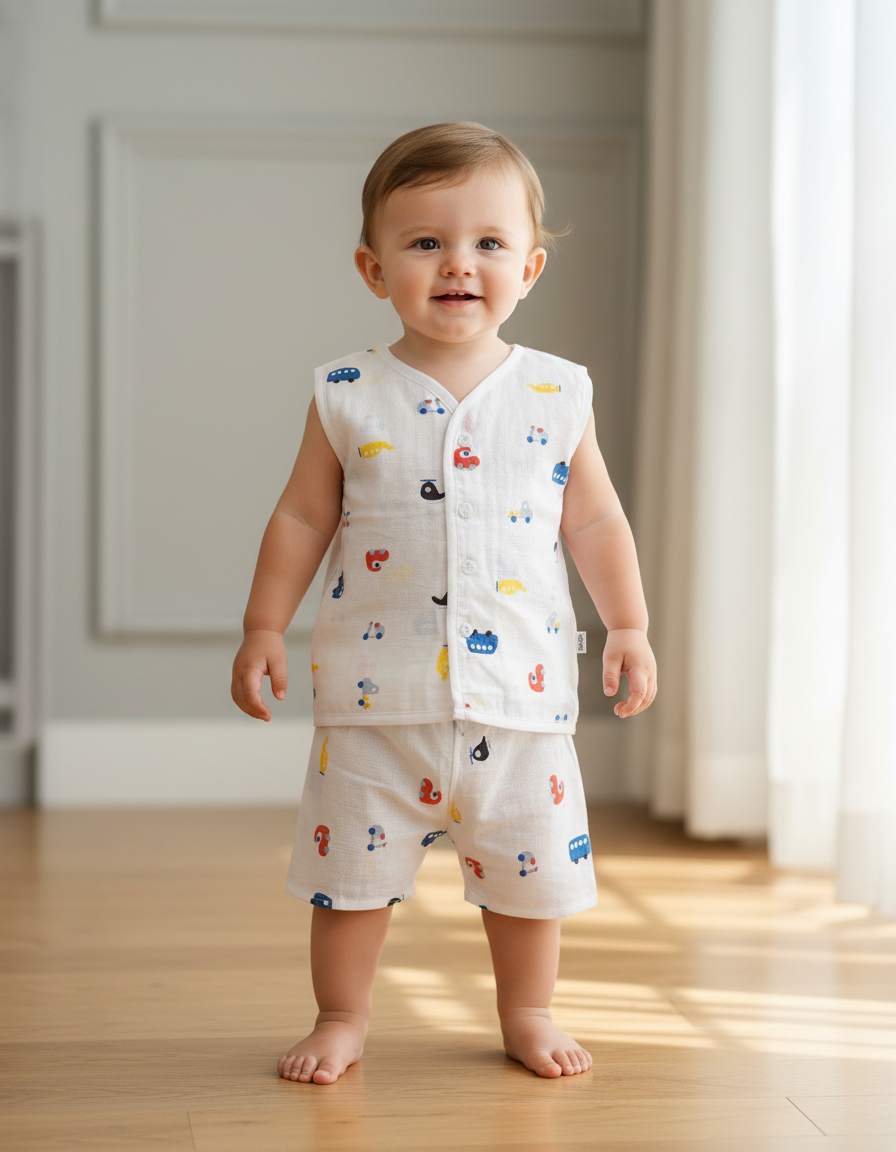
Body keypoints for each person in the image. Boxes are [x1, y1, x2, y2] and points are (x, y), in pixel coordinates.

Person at [231, 122, 656, 1086]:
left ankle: (527, 1009)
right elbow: (302, 518)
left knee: (528, 874)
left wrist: (626, 623)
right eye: (426, 243)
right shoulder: (349, 393)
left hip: (521, 697)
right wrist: (265, 625)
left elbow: (594, 522)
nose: (458, 264)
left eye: (488, 244)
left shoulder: (556, 392)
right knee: (350, 885)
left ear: (531, 266)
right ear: (374, 269)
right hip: (374, 705)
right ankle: (341, 1017)